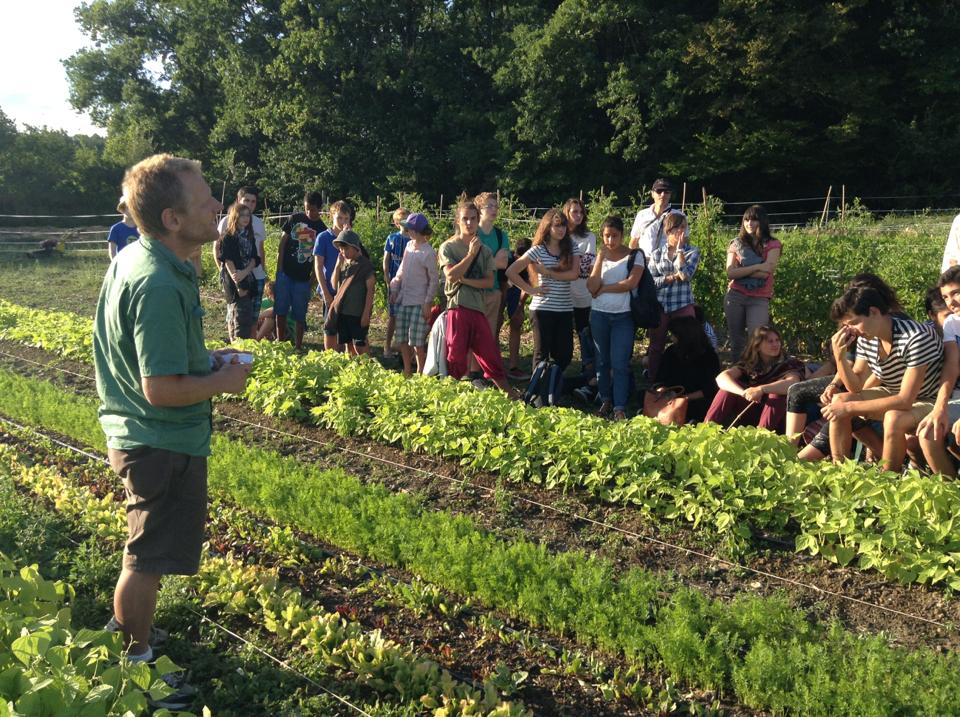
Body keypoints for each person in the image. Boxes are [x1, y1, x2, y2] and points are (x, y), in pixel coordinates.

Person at [93, 154, 251, 708]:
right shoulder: (159, 281)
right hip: (159, 439)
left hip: (143, 433)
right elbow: (159, 388)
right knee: (148, 558)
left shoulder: (139, 256)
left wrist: (202, 358)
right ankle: (137, 665)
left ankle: (132, 634)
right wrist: (226, 382)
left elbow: (154, 358)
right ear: (173, 219)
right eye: (205, 199)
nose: (217, 205)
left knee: (148, 551)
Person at [823, 284, 943, 471]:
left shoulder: (915, 337)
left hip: (929, 400)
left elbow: (904, 400)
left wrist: (848, 408)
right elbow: (855, 387)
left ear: (874, 312)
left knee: (893, 418)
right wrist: (840, 357)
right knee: (839, 399)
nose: (852, 330)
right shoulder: (866, 337)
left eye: (854, 323)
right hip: (894, 393)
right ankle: (841, 474)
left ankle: (888, 481)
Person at [438, 198, 515, 394]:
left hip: (478, 309)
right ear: (458, 221)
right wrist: (470, 255)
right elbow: (450, 275)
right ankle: (448, 399)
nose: (470, 223)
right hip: (457, 309)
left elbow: (489, 282)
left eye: (473, 218)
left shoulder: (486, 251)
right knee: (455, 359)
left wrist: (464, 280)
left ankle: (512, 396)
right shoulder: (448, 247)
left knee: (490, 356)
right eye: (465, 219)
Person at [506, 208, 580, 376]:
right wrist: (530, 290)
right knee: (541, 356)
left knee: (565, 355)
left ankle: (552, 384)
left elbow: (574, 274)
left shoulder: (571, 247)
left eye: (563, 226)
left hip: (565, 309)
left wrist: (547, 272)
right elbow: (511, 271)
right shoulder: (538, 249)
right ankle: (538, 396)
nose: (561, 230)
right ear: (547, 227)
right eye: (557, 226)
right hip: (542, 310)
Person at [585, 216, 643, 420]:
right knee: (601, 361)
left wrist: (604, 289)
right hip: (599, 315)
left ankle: (619, 406)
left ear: (622, 235)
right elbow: (591, 286)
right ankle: (605, 400)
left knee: (619, 362)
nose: (610, 240)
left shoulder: (635, 256)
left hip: (623, 316)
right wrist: (600, 258)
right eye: (607, 236)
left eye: (615, 236)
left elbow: (630, 283)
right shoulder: (597, 257)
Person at [704, 325, 804, 432]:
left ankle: (761, 438)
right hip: (752, 411)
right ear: (757, 345)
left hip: (780, 418)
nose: (775, 344)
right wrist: (744, 393)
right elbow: (721, 378)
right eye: (770, 341)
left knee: (777, 394)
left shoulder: (789, 363)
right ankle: (706, 432)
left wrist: (761, 389)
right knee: (727, 390)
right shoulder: (750, 364)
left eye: (777, 340)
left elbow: (792, 383)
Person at [646, 212, 701, 380]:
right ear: (668, 231)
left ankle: (687, 379)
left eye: (684, 227)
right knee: (656, 346)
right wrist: (669, 278)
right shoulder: (656, 254)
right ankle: (655, 380)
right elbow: (651, 282)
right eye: (677, 228)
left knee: (689, 343)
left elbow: (686, 276)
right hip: (661, 305)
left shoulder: (692, 252)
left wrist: (680, 253)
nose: (681, 231)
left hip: (682, 304)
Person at [724, 204, 782, 361]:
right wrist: (757, 266)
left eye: (754, 220)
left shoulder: (773, 244)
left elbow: (766, 272)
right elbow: (730, 272)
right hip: (735, 295)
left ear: (762, 222)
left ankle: (756, 372)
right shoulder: (736, 244)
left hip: (759, 298)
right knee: (736, 340)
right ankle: (737, 372)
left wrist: (742, 271)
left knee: (756, 338)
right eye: (746, 220)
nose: (749, 223)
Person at [917, 268, 960, 476]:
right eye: (945, 296)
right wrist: (939, 408)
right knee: (928, 432)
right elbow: (952, 365)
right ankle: (950, 498)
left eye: (956, 293)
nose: (951, 302)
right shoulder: (952, 323)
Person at [643, 316, 721, 425]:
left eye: (674, 335)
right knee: (643, 395)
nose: (672, 338)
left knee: (701, 406)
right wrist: (663, 390)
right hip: (670, 395)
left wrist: (685, 398)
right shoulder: (671, 352)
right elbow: (661, 378)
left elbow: (710, 389)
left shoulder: (709, 356)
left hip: (694, 398)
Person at [389, 212, 438, 376]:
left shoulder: (428, 253)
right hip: (405, 300)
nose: (407, 231)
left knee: (417, 342)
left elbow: (433, 281)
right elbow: (401, 271)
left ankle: (421, 372)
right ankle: (407, 370)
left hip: (419, 302)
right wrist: (394, 287)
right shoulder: (409, 247)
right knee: (403, 337)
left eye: (409, 228)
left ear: (417, 231)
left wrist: (427, 302)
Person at [470, 192, 511, 379]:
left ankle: (483, 373)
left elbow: (502, 263)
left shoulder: (501, 235)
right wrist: (490, 262)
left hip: (493, 291)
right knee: (471, 334)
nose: (494, 210)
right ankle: (470, 374)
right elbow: (470, 264)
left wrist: (484, 262)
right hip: (471, 291)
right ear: (479, 209)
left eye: (496, 206)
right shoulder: (471, 232)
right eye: (489, 206)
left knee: (488, 335)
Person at [217, 186, 268, 319]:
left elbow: (260, 250)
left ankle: (251, 340)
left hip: (256, 274)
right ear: (238, 200)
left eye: (253, 201)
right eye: (246, 200)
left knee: (253, 316)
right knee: (235, 314)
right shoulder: (226, 221)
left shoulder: (258, 223)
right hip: (234, 274)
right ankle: (235, 340)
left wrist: (264, 271)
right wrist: (226, 273)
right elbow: (218, 249)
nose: (250, 204)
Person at [564, 197, 597, 385]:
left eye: (580, 212)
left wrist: (570, 263)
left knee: (584, 330)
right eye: (574, 211)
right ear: (567, 213)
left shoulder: (589, 237)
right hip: (564, 290)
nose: (578, 215)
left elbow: (587, 264)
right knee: (563, 328)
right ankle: (563, 363)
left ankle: (588, 365)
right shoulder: (560, 235)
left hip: (583, 290)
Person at [326, 229, 375, 356]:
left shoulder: (365, 265)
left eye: (346, 249)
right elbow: (333, 285)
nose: (343, 252)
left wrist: (366, 314)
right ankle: (352, 370)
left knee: (360, 344)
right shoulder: (343, 264)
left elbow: (370, 290)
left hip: (357, 313)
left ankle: (367, 368)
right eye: (341, 249)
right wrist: (337, 266)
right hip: (343, 311)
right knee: (347, 343)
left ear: (355, 248)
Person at [313, 200, 351, 350]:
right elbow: (318, 266)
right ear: (331, 217)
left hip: (346, 289)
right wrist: (325, 293)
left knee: (345, 327)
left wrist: (347, 236)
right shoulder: (323, 237)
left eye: (346, 218)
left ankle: (344, 358)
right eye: (339, 218)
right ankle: (330, 357)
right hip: (329, 288)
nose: (343, 222)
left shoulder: (350, 237)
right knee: (330, 327)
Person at [219, 203, 260, 340]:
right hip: (233, 278)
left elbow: (255, 258)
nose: (245, 218)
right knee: (238, 315)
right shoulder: (228, 236)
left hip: (247, 276)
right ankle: (237, 348)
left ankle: (240, 347)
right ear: (235, 217)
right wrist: (238, 280)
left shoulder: (249, 236)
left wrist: (245, 272)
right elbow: (227, 260)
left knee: (246, 315)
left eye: (248, 215)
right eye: (242, 215)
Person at [629, 178, 685, 257]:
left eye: (666, 191)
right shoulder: (642, 215)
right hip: (645, 262)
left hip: (668, 262)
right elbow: (633, 242)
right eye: (659, 191)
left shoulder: (679, 216)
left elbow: (685, 241)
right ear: (652, 194)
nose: (663, 194)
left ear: (670, 194)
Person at [382, 207, 410, 358]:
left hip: (408, 283)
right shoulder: (392, 238)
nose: (405, 223)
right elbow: (386, 259)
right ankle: (387, 346)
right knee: (393, 316)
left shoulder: (413, 240)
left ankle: (401, 347)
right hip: (394, 281)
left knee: (405, 316)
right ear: (396, 222)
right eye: (402, 220)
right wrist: (387, 277)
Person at [504, 236, 533, 380]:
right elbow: (502, 283)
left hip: (517, 289)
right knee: (494, 323)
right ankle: (493, 362)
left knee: (517, 323)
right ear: (515, 255)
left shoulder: (530, 263)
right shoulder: (507, 259)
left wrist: (519, 308)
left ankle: (513, 366)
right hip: (502, 286)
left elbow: (526, 287)